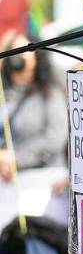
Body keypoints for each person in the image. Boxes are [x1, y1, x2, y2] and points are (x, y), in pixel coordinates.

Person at [0, 36, 67, 181]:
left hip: (42, 179)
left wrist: (18, 159)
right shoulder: (5, 92)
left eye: (24, 50)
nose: (18, 55)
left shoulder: (49, 91)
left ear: (36, 57)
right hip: (6, 181)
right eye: (14, 50)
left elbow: (55, 137)